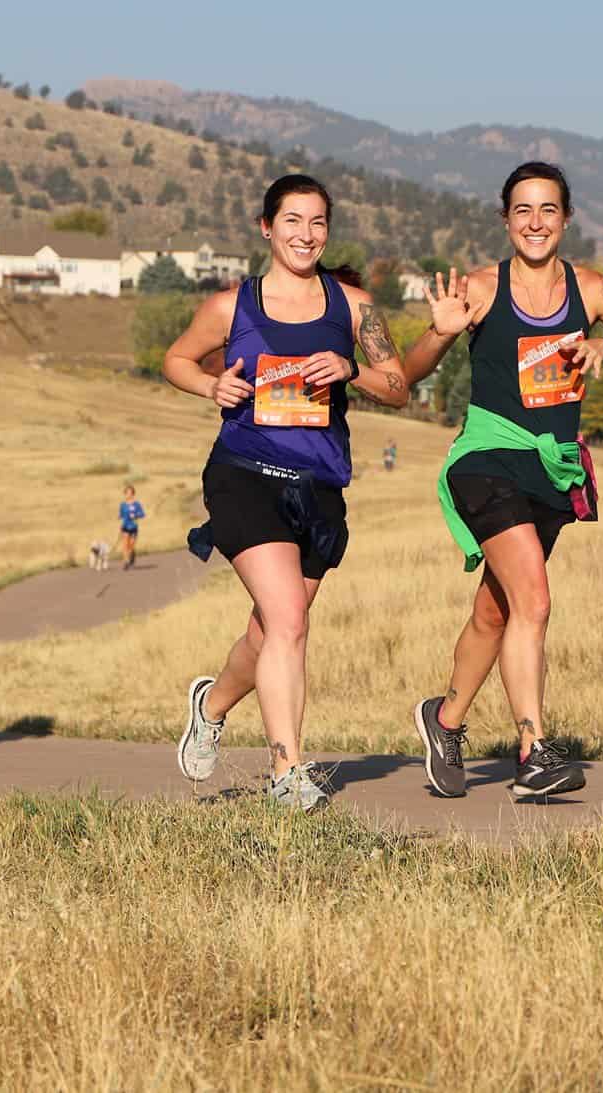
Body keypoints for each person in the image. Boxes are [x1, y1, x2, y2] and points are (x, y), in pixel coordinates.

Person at [401, 161, 603, 800]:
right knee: (537, 602)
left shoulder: (596, 290)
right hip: (486, 458)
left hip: (550, 468)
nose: (536, 222)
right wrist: (440, 335)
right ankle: (534, 751)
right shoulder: (480, 288)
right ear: (505, 220)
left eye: (548, 209)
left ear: (566, 218)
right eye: (523, 210)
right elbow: (407, 373)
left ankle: (444, 721)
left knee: (498, 611)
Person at [165, 175, 409, 812]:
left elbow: (399, 384)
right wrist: (211, 389)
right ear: (266, 228)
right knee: (291, 623)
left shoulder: (354, 306)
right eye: (294, 221)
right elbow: (178, 360)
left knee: (269, 631)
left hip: (320, 484)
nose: (307, 234)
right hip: (244, 472)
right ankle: (288, 771)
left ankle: (211, 705)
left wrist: (354, 368)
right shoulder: (231, 305)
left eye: (319, 223)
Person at [117, 483, 146, 570]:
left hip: (133, 527)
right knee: (125, 545)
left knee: (131, 546)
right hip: (125, 527)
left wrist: (136, 515)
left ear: (133, 494)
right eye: (127, 493)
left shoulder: (137, 504)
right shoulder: (123, 505)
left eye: (130, 493)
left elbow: (142, 514)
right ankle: (126, 562)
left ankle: (132, 556)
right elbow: (121, 514)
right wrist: (119, 516)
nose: (128, 495)